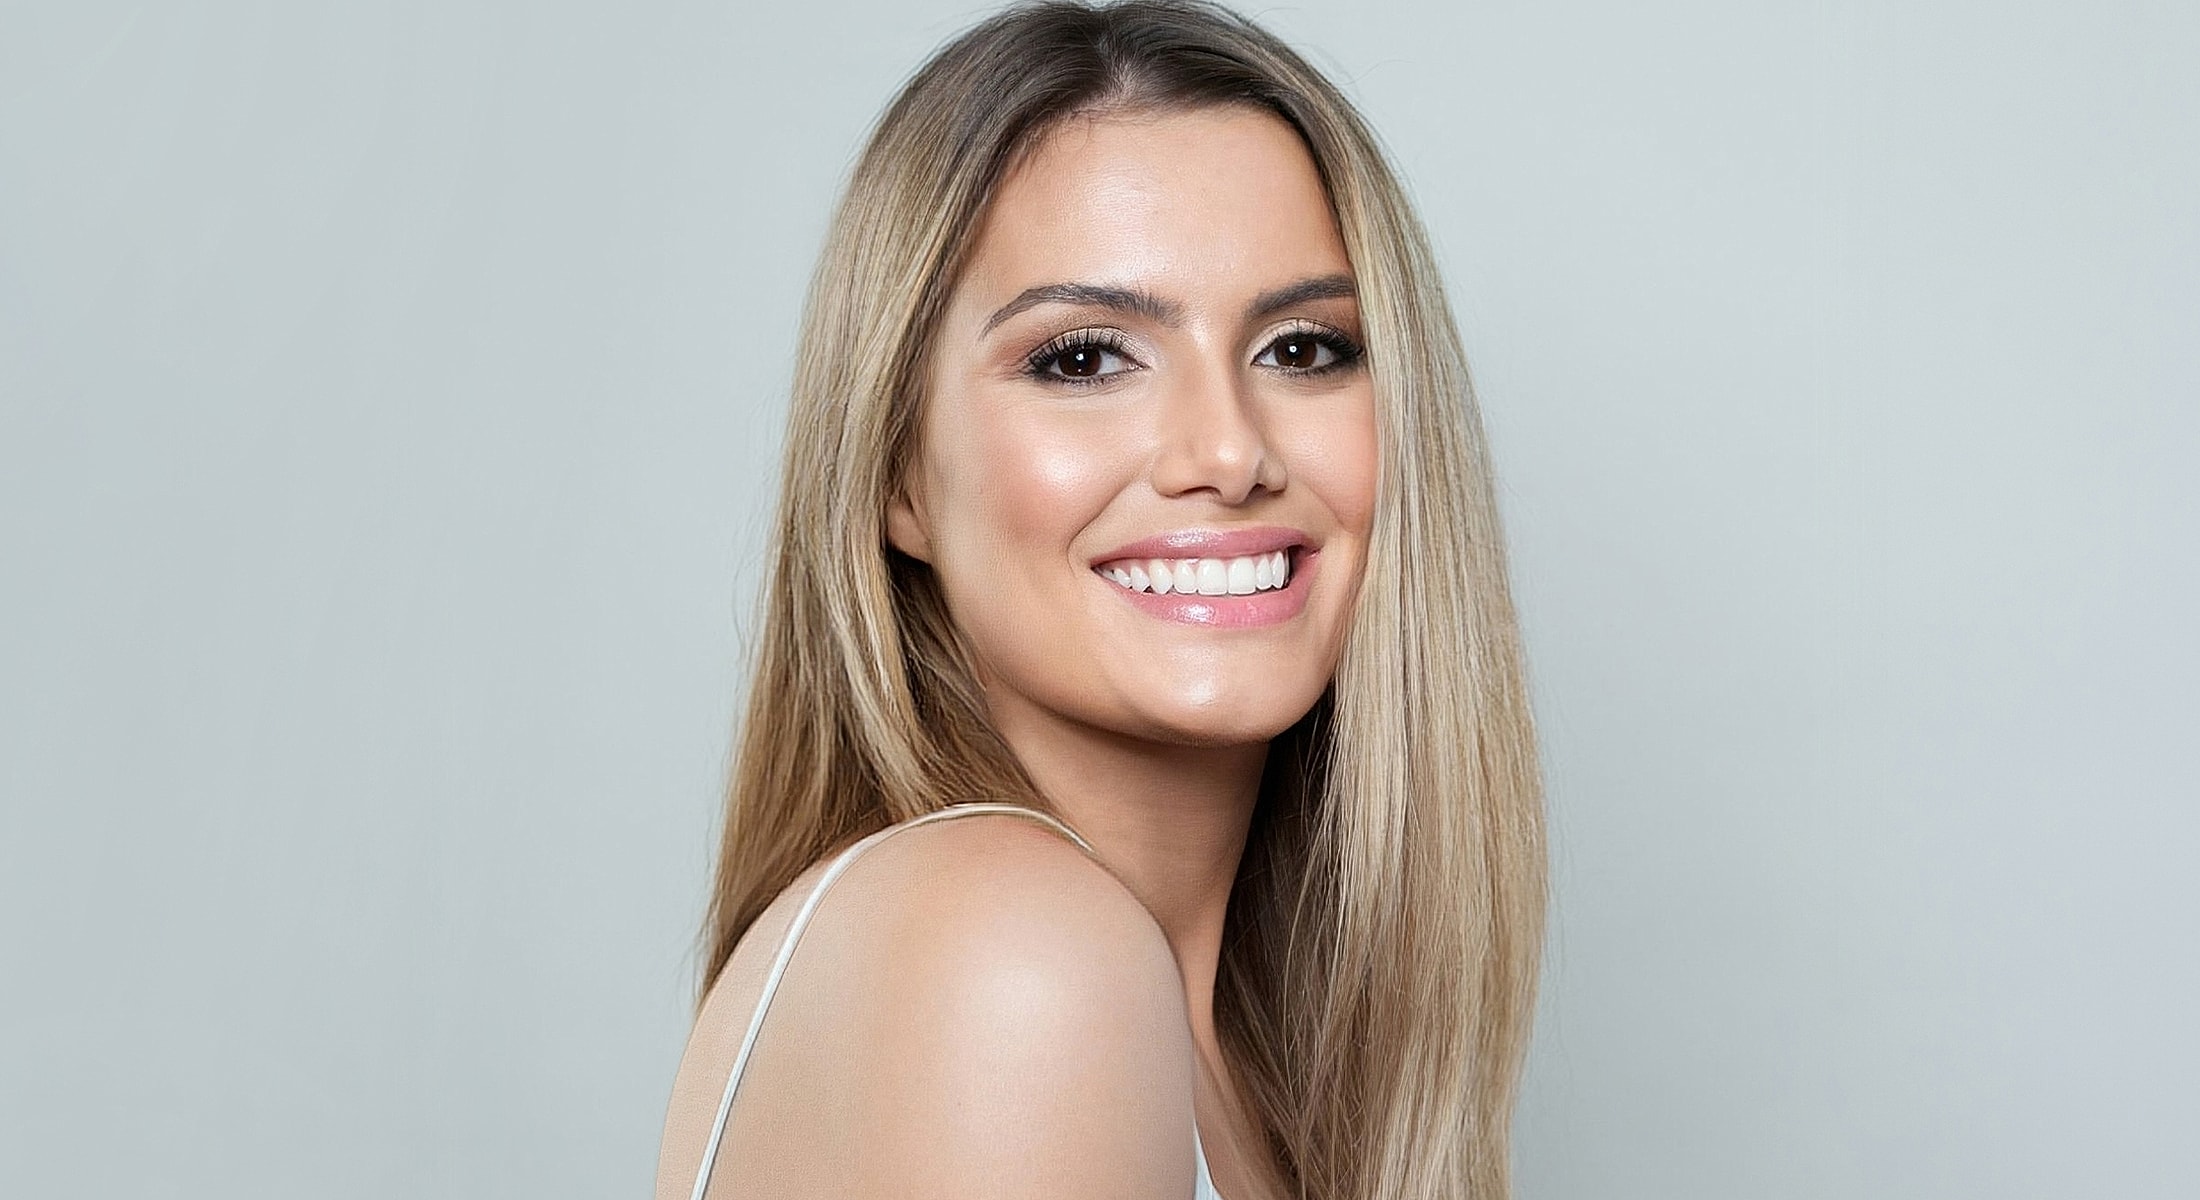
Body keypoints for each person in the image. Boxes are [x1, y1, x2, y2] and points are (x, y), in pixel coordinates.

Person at [653, 2, 1545, 1197]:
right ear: (896, 476)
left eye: (1302, 348)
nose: (1228, 453)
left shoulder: (1226, 1044)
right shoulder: (1013, 957)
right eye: (1082, 358)